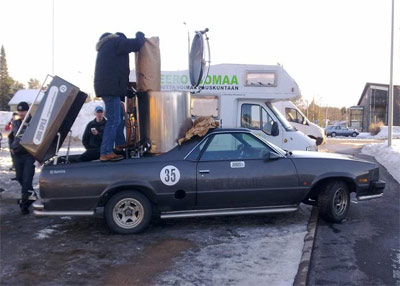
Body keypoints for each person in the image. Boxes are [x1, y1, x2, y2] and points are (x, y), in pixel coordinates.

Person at [94, 31, 146, 162]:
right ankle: (105, 152)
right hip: (110, 89)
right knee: (113, 120)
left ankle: (120, 143)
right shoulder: (115, 42)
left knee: (119, 118)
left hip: (110, 87)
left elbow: (116, 73)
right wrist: (140, 35)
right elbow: (136, 44)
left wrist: (126, 90)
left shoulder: (108, 49)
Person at [9, 101, 37, 215]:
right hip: (17, 156)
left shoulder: (33, 123)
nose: (21, 113)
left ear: (28, 111)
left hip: (28, 156)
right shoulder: (15, 123)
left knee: (26, 180)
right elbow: (11, 137)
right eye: (20, 111)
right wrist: (11, 148)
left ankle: (25, 204)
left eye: (23, 111)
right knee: (20, 178)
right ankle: (32, 195)